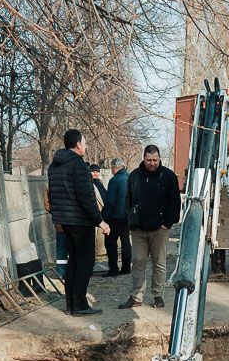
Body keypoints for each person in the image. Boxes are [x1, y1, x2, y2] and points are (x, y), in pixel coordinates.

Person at [48, 129, 110, 315]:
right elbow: (86, 197)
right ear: (77, 145)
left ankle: (71, 306)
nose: (86, 145)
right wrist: (100, 221)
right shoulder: (79, 165)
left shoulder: (54, 166)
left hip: (64, 222)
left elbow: (54, 195)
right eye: (85, 142)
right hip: (80, 222)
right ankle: (80, 305)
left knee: (73, 262)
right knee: (85, 262)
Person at [120, 144, 181, 309]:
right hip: (138, 229)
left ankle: (158, 296)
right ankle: (136, 297)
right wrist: (130, 221)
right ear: (144, 158)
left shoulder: (168, 176)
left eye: (155, 160)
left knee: (159, 263)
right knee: (138, 262)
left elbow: (175, 202)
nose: (152, 163)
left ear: (159, 158)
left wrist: (167, 223)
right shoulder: (134, 176)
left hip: (159, 229)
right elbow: (128, 200)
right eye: (149, 160)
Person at [104, 159, 131, 276]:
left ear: (115, 167)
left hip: (115, 217)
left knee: (110, 243)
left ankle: (113, 268)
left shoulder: (114, 181)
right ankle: (126, 268)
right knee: (126, 242)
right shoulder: (131, 178)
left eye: (111, 167)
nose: (111, 170)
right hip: (128, 217)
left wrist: (104, 218)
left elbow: (110, 201)